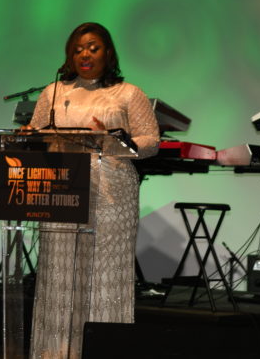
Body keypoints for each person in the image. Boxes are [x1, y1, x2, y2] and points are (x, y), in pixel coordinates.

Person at [27, 22, 160, 359]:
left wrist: (117, 139)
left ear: (108, 53)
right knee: (60, 276)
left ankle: (103, 350)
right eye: (77, 49)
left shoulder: (129, 93)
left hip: (111, 195)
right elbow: (37, 135)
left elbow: (151, 141)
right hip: (60, 191)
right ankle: (57, 352)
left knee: (103, 275)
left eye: (92, 47)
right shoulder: (52, 93)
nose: (84, 54)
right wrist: (29, 135)